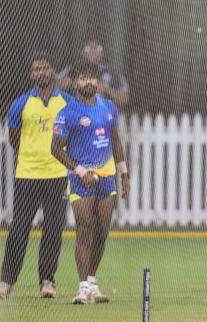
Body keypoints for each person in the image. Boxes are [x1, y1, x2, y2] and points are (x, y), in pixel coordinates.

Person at [0, 52, 72, 300]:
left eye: (45, 68)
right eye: (36, 69)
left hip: (57, 175)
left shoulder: (67, 102)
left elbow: (75, 132)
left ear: (53, 72)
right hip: (27, 175)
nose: (40, 72)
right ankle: (6, 282)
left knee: (53, 229)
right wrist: (31, 154)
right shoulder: (21, 103)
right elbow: (13, 137)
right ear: (31, 74)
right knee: (19, 228)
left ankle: (47, 281)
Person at [51, 61, 129, 305]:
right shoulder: (67, 112)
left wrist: (123, 174)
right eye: (84, 78)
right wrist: (80, 170)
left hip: (106, 177)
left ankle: (94, 284)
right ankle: (82, 287)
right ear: (75, 83)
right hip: (80, 177)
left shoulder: (108, 107)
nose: (89, 82)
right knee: (84, 229)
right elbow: (55, 149)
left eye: (93, 78)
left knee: (102, 231)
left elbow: (115, 141)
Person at [57, 39, 129, 108]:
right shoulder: (71, 69)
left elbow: (125, 99)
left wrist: (104, 89)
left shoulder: (112, 73)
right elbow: (52, 90)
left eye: (97, 48)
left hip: (102, 115)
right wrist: (70, 78)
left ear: (102, 53)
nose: (93, 51)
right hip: (74, 113)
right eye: (89, 48)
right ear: (82, 52)